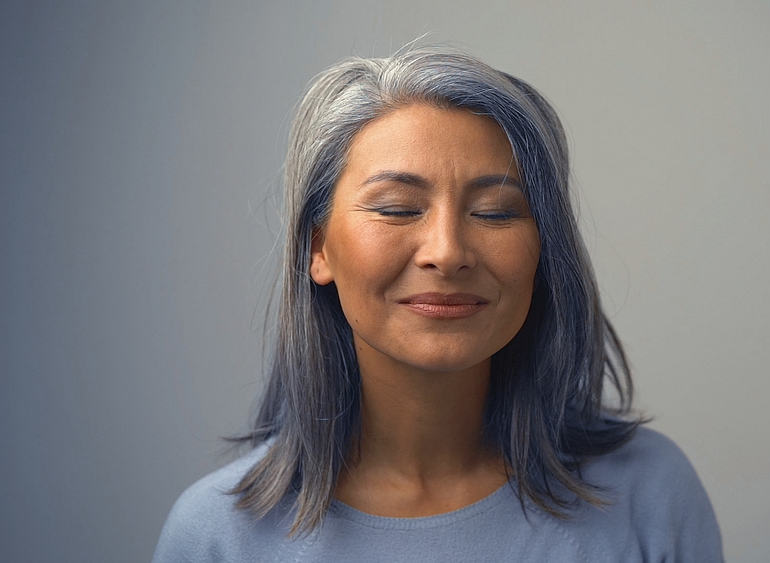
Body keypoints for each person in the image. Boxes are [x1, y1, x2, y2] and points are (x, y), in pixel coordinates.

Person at [152, 46, 723, 562]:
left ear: (544, 249)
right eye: (397, 208)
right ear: (317, 248)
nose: (448, 253)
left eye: (496, 212)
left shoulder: (650, 494)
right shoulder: (218, 537)